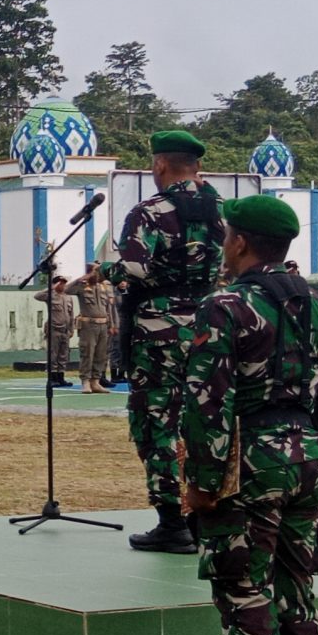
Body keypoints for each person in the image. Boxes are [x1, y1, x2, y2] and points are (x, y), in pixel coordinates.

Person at [183, 195, 318, 635]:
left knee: (243, 587)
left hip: (250, 459)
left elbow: (208, 401)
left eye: (227, 235)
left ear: (240, 242)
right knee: (297, 586)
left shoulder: (226, 305)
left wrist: (203, 481)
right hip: (308, 455)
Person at [101, 130, 227, 554]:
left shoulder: (150, 211)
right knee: (205, 418)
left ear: (159, 165)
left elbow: (134, 269)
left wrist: (107, 270)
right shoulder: (223, 211)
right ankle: (204, 512)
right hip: (210, 327)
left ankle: (172, 522)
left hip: (159, 332)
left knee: (157, 421)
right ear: (197, 166)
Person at [69, 269, 117, 395]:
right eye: (94, 273)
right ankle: (85, 381)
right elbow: (67, 290)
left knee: (101, 355)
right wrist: (79, 279)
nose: (97, 276)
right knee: (87, 353)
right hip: (88, 325)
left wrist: (111, 324)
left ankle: (95, 381)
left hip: (103, 324)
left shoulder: (103, 288)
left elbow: (108, 308)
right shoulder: (81, 287)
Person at [36, 275, 78, 388]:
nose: (63, 285)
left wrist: (71, 328)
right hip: (54, 329)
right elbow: (37, 296)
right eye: (60, 283)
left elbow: (71, 314)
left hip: (65, 330)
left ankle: (61, 377)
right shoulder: (50, 296)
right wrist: (51, 288)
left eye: (64, 283)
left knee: (63, 355)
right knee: (53, 355)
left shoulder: (68, 297)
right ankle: (52, 378)